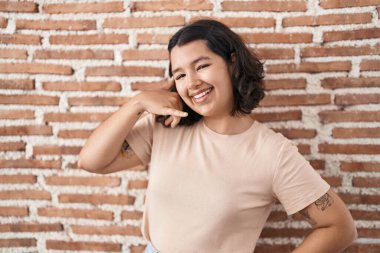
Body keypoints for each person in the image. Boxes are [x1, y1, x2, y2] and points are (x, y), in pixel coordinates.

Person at [78, 19, 357, 253]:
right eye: (180, 74)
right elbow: (91, 162)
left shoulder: (273, 154)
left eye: (201, 66)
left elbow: (340, 227)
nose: (192, 82)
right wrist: (137, 103)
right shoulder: (165, 127)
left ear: (231, 62)